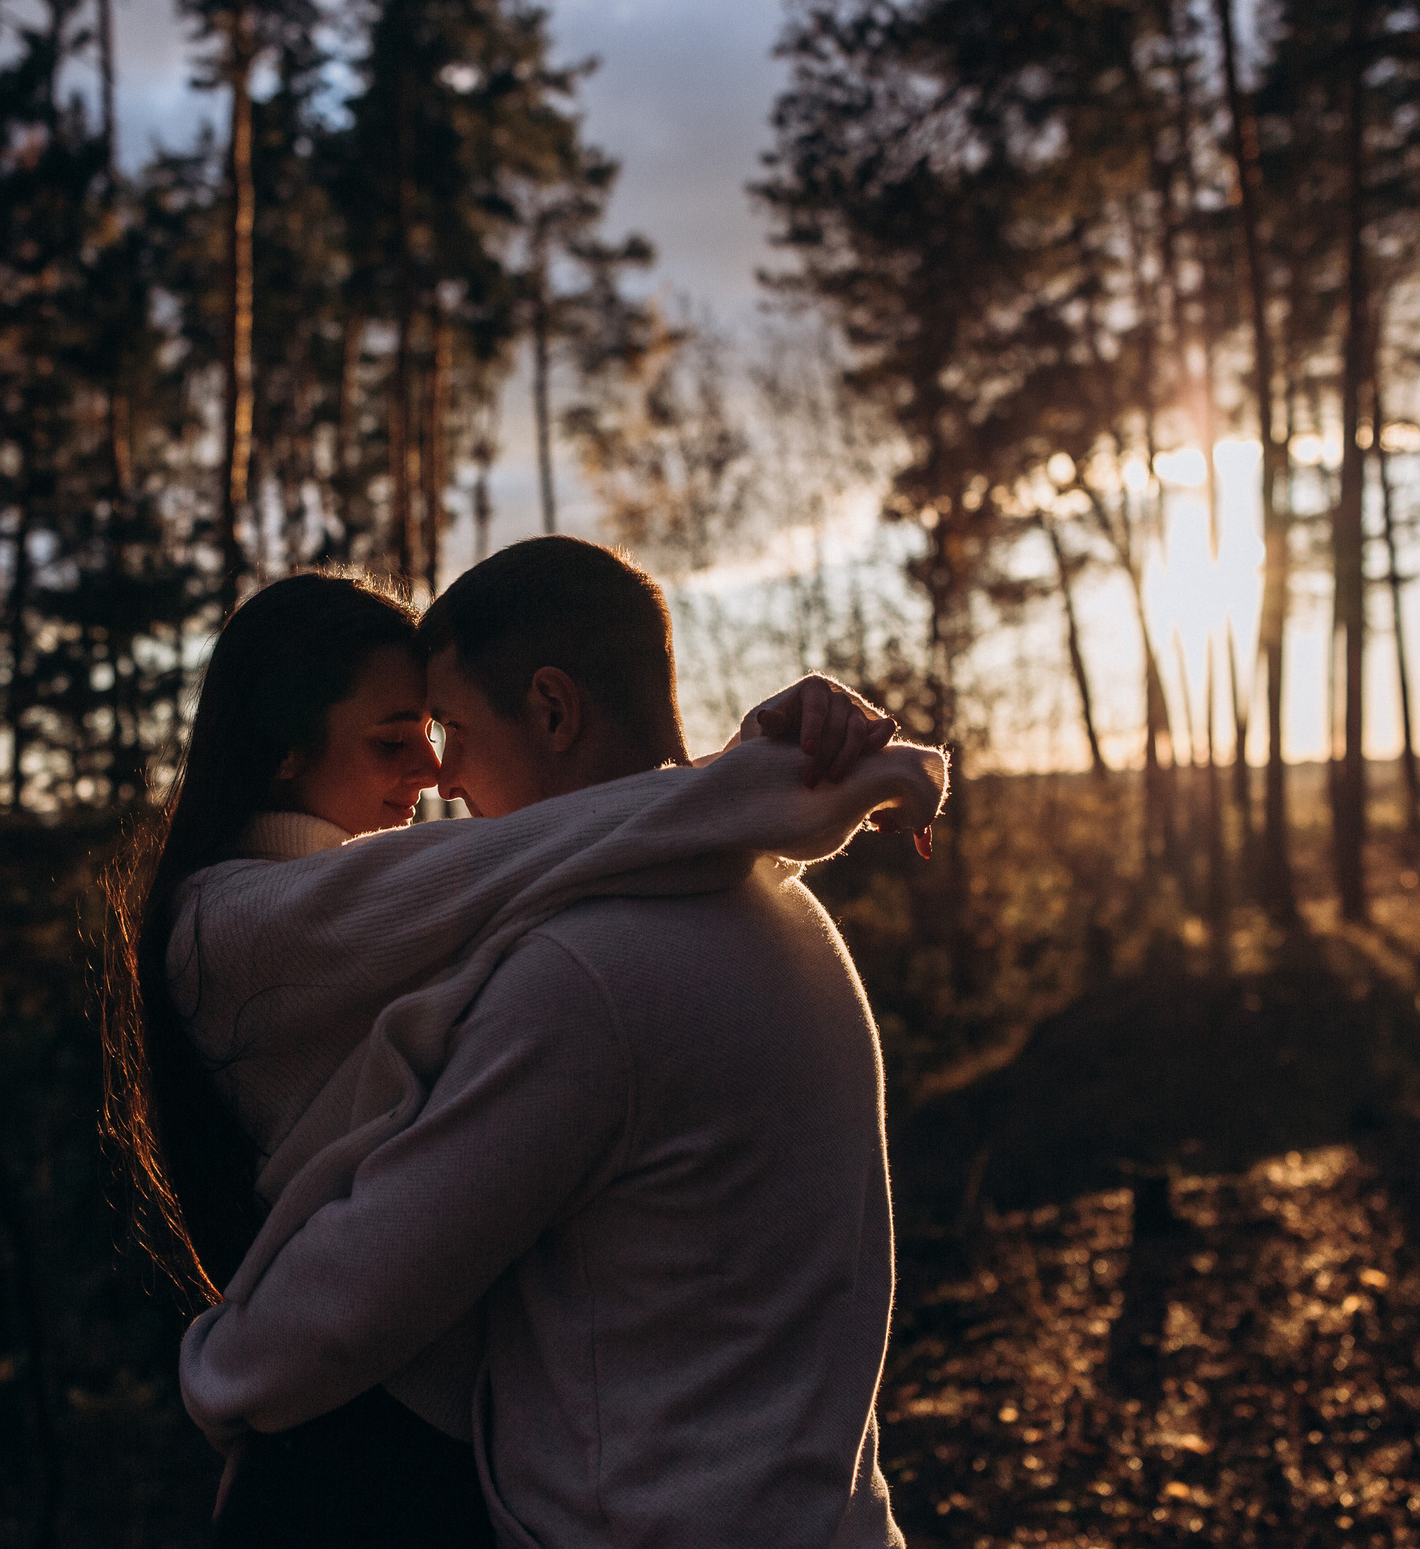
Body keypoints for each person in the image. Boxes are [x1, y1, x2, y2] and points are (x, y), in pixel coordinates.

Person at [100, 564, 940, 1546]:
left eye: (451, 730)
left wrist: (215, 1375)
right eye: (403, 738)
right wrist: (754, 771)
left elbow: (365, 1287)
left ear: (549, 710)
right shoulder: (780, 908)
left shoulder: (584, 975)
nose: (440, 776)